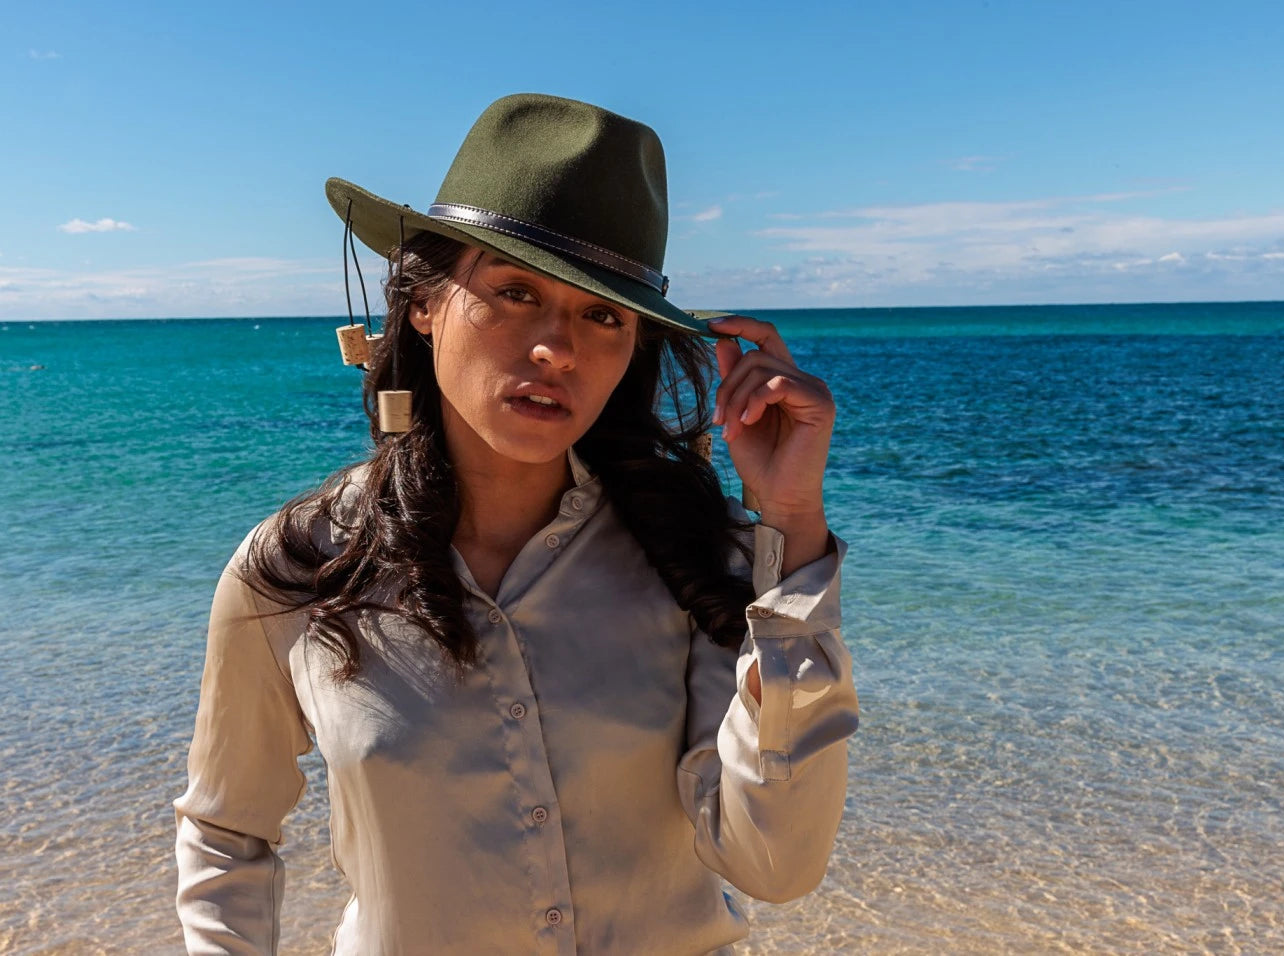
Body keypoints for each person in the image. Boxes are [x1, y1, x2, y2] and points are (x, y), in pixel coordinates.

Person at [173, 92, 858, 955]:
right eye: (514, 293)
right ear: (420, 306)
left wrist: (791, 524)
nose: (557, 348)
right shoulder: (302, 565)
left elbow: (777, 865)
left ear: (632, 346)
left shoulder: (700, 557)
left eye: (602, 314)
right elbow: (228, 834)